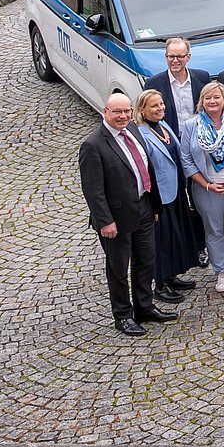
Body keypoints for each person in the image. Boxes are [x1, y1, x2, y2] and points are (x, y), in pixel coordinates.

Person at [81, 91, 175, 337]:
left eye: (126, 111)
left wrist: (154, 206)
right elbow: (93, 190)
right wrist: (105, 221)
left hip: (143, 208)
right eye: (117, 112)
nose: (123, 116)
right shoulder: (93, 145)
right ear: (105, 112)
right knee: (118, 268)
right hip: (117, 218)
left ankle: (144, 307)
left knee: (146, 261)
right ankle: (123, 315)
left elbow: (146, 170)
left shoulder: (133, 131)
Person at [177, 81, 224, 293]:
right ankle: (221, 271)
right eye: (208, 98)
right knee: (214, 230)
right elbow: (186, 159)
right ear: (202, 101)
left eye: (216, 97)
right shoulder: (192, 125)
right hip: (206, 187)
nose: (212, 101)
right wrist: (207, 185)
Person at [135, 89, 200, 305]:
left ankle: (171, 275)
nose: (160, 108)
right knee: (161, 239)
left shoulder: (164, 126)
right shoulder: (141, 134)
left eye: (161, 104)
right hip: (159, 195)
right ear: (142, 110)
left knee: (175, 234)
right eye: (154, 106)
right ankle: (160, 283)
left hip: (176, 191)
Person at [145, 37, 208, 131]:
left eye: (179, 56)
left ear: (188, 57)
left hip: (199, 135)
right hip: (170, 138)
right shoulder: (153, 83)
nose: (175, 60)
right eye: (171, 56)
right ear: (166, 57)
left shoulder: (202, 78)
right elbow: (147, 114)